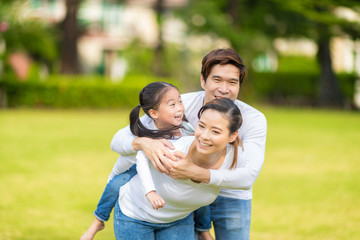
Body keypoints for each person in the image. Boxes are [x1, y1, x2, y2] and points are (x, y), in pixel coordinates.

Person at [111, 48, 267, 240]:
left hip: (232, 195)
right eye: (217, 80)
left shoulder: (254, 119)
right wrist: (143, 143)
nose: (224, 88)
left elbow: (248, 176)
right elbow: (118, 139)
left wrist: (195, 173)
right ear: (203, 80)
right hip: (185, 194)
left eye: (232, 82)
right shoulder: (178, 105)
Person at [114, 98, 243, 239]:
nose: (204, 136)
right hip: (136, 214)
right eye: (201, 126)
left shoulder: (235, 160)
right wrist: (150, 191)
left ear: (232, 136)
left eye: (216, 132)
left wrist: (197, 172)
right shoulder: (178, 149)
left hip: (178, 220)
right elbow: (141, 156)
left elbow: (246, 181)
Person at [81, 82, 194, 240]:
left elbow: (197, 139)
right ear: (154, 113)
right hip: (135, 168)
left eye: (180, 101)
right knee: (114, 185)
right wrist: (150, 191)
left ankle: (202, 229)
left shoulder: (185, 127)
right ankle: (98, 222)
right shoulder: (145, 127)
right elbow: (131, 154)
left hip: (168, 179)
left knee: (199, 190)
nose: (180, 108)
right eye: (172, 104)